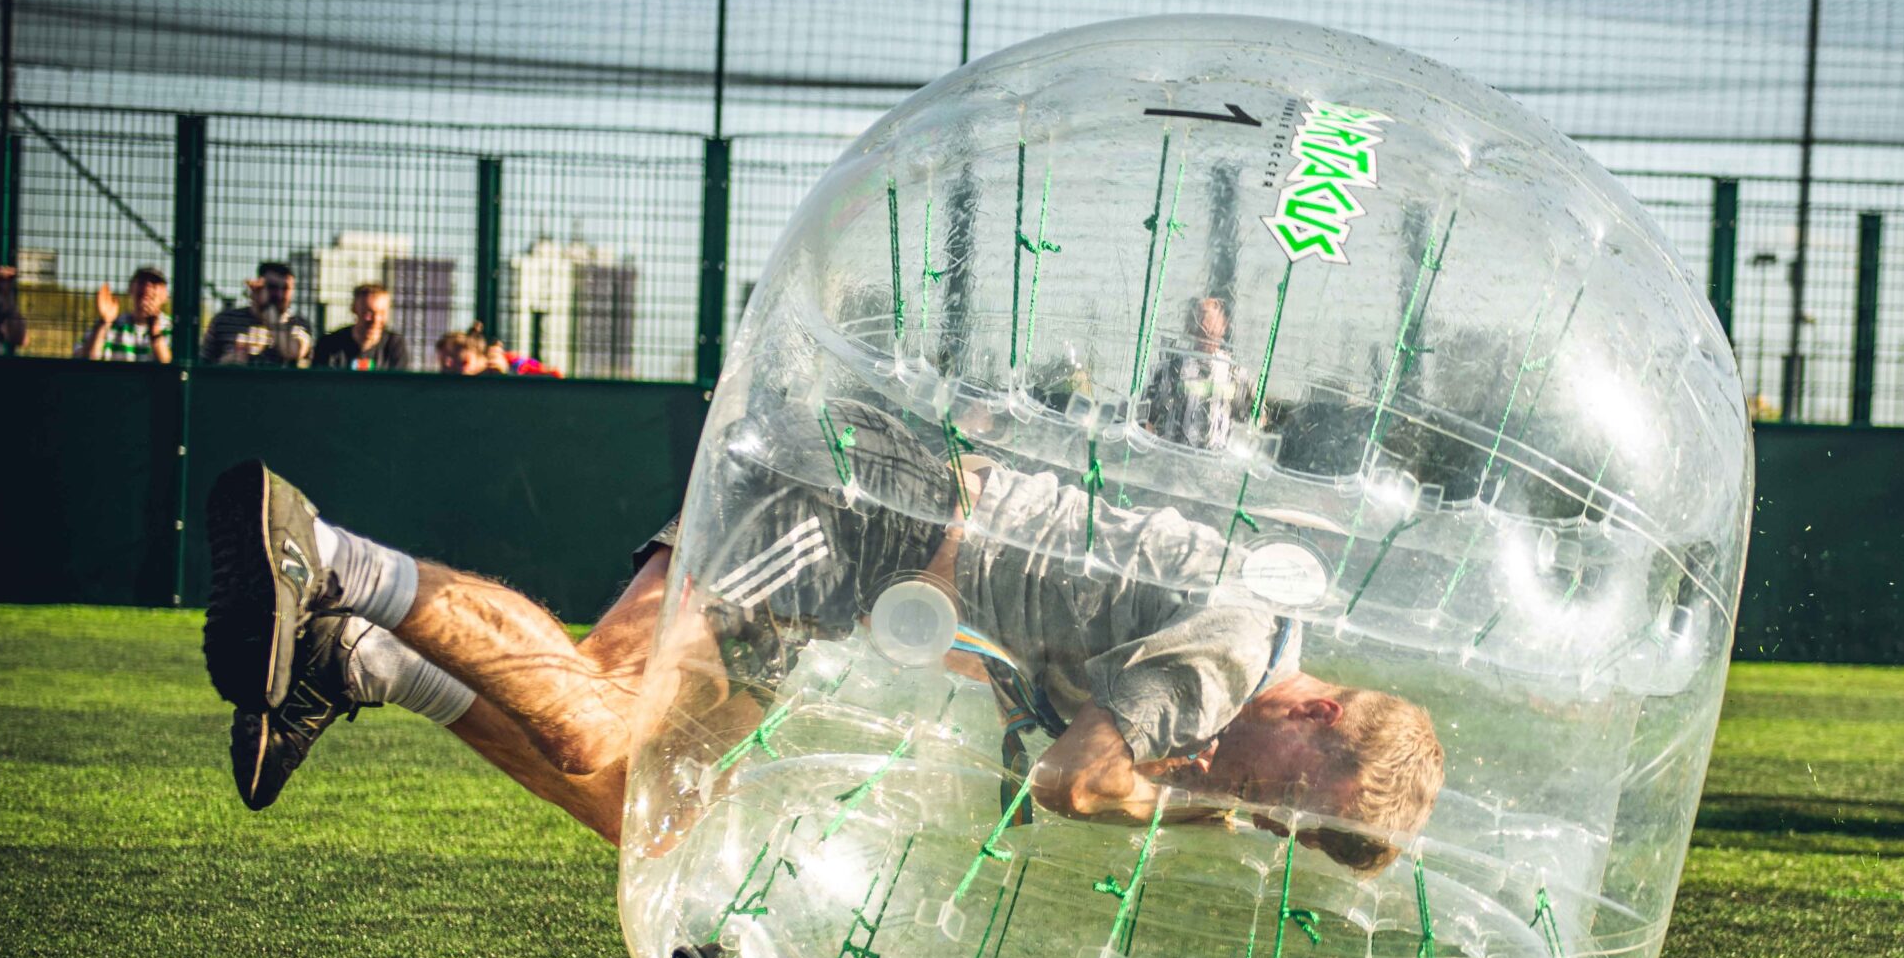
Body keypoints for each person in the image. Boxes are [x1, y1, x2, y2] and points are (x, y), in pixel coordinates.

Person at [199, 400, 1445, 874]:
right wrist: (1192, 813)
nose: (1262, 807)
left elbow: (1027, 770)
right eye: (1291, 799)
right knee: (594, 712)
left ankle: (354, 657)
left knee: (644, 803)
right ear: (1321, 715)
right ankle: (333, 552)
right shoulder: (1234, 661)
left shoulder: (1221, 675)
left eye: (1285, 827)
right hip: (857, 509)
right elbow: (1075, 785)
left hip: (851, 553)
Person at [1140, 295, 1253, 448]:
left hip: (1216, 463)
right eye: (1201, 326)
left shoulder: (1236, 375)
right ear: (1190, 328)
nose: (1206, 326)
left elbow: (1254, 418)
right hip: (1174, 456)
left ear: (1224, 326)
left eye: (1210, 330)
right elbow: (1145, 415)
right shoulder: (1172, 369)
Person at [201, 263, 313, 367]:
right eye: (272, 287)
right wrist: (225, 363)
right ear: (259, 286)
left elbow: (292, 352)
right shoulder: (224, 320)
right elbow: (202, 365)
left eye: (285, 288)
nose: (279, 295)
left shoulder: (298, 324)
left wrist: (267, 310)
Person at [80, 267, 174, 363]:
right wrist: (104, 323)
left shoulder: (173, 328)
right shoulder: (110, 323)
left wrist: (155, 332)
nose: (147, 286)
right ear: (130, 289)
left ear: (165, 295)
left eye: (154, 283)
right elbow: (86, 360)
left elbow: (172, 368)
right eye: (142, 281)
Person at [312, 283, 405, 371]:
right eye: (368, 312)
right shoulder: (329, 344)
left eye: (382, 313)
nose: (376, 320)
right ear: (354, 309)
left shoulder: (394, 345)